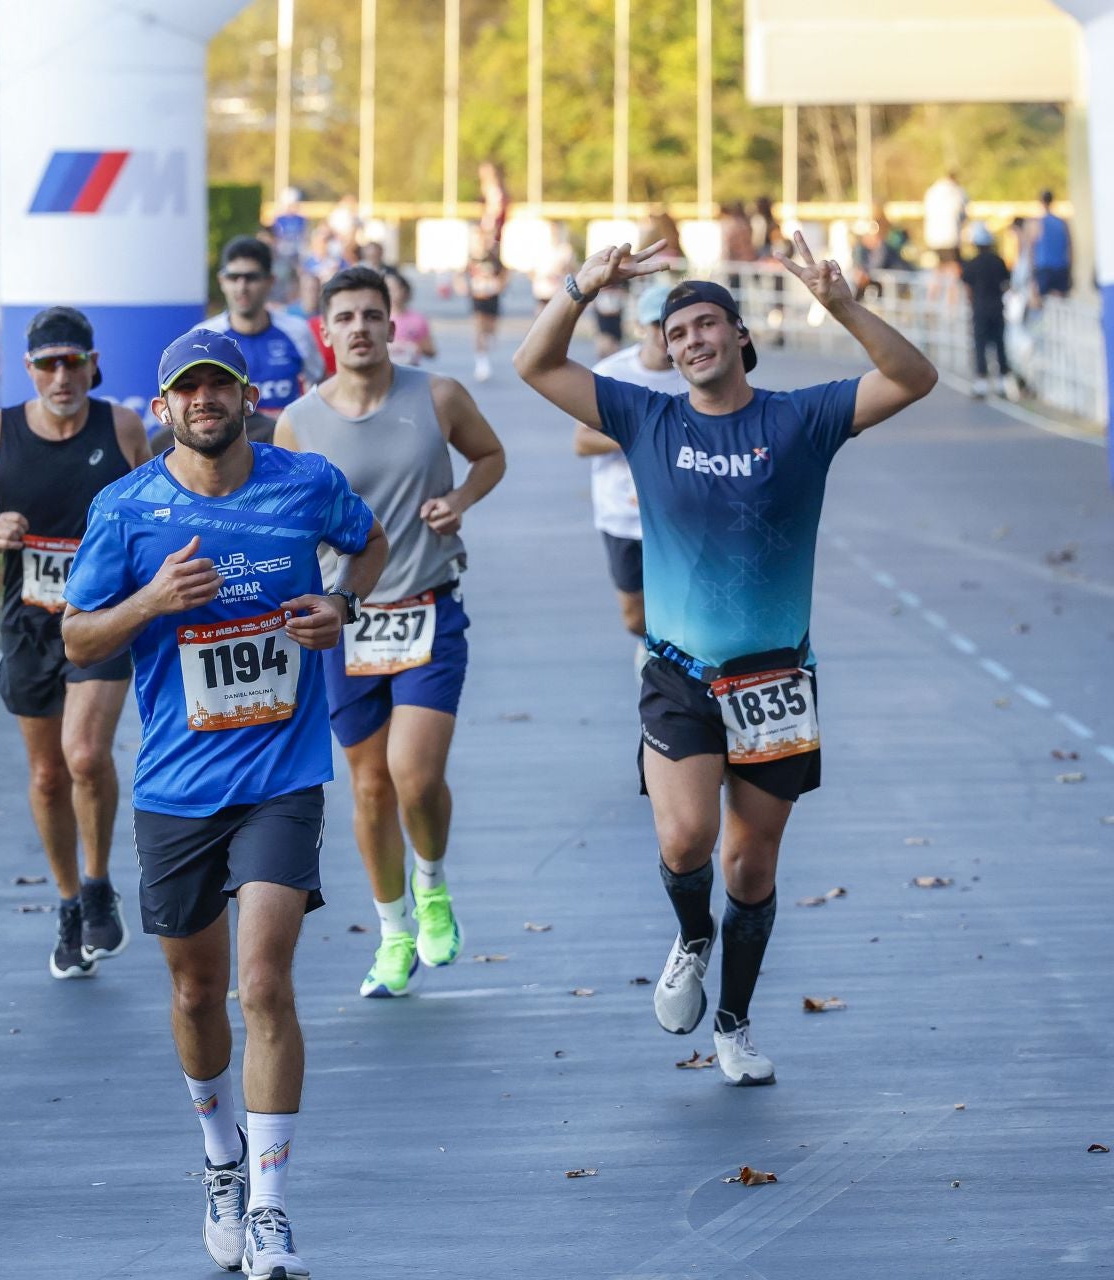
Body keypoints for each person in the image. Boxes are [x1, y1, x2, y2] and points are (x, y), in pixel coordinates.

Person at [513, 235, 936, 1087]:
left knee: (750, 864)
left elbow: (913, 379)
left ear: (740, 337)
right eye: (678, 333)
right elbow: (536, 364)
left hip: (776, 679)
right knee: (686, 837)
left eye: (708, 325)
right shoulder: (645, 415)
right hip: (678, 670)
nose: (693, 341)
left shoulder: (801, 418)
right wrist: (580, 287)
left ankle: (735, 1025)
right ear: (667, 353)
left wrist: (845, 307)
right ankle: (691, 935)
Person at [61, 329, 388, 1279]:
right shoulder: (126, 510)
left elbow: (364, 547)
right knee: (198, 992)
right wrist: (150, 602)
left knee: (263, 984)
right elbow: (80, 641)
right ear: (163, 409)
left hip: (282, 777)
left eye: (220, 386)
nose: (205, 401)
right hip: (175, 788)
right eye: (186, 390)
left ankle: (275, 1211)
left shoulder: (305, 483)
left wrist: (343, 607)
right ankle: (221, 1164)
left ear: (249, 397)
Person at [275, 266, 504, 1001]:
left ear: (392, 323)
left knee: (415, 773)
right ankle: (394, 931)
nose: (361, 328)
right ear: (325, 331)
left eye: (374, 314)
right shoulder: (298, 423)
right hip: (345, 622)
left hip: (428, 606)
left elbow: (490, 455)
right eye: (346, 316)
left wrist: (461, 498)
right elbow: (284, 524)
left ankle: (431, 884)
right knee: (370, 788)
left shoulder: (436, 396)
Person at [0, 307, 150, 978]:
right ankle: (69, 899)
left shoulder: (121, 429)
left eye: (73, 362)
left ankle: (98, 883)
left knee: (86, 755)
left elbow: (157, 509)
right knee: (46, 774)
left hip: (102, 621)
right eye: (48, 364)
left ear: (94, 365)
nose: (61, 376)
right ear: (29, 369)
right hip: (30, 624)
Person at [573, 285, 686, 656]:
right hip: (622, 514)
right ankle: (652, 647)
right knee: (633, 616)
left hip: (680, 513)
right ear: (641, 326)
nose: (666, 334)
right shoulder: (611, 373)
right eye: (658, 324)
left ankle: (676, 669)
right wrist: (641, 438)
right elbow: (583, 442)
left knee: (686, 604)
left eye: (675, 325)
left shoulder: (696, 375)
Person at [202, 235, 326, 420]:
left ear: (270, 281)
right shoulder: (205, 338)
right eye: (234, 277)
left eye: (251, 278)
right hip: (227, 448)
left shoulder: (297, 331)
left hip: (284, 445)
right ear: (222, 281)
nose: (242, 287)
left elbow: (322, 387)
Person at [960, 224, 1013, 398]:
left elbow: (967, 287)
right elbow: (1006, 284)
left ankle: (981, 384)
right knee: (999, 345)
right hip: (997, 308)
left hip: (980, 309)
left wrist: (973, 303)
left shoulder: (972, 264)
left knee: (980, 345)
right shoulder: (998, 261)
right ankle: (1002, 384)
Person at [923, 171, 968, 301]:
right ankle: (951, 305)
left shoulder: (932, 191)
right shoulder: (957, 192)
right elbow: (963, 213)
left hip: (933, 238)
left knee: (939, 270)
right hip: (950, 237)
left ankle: (930, 302)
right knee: (954, 272)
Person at [467, 243, 507, 383]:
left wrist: (500, 285)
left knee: (490, 331)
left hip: (492, 298)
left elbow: (504, 274)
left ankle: (487, 345)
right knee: (479, 330)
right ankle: (481, 362)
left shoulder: (495, 258)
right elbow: (462, 274)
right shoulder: (472, 259)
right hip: (478, 298)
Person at [384, 270, 436, 366]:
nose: (389, 293)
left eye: (393, 289)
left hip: (410, 371)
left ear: (404, 290)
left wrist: (413, 347)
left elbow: (431, 351)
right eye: (386, 289)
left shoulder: (418, 319)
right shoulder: (376, 319)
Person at [1031, 189, 1073, 300]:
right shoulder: (1061, 222)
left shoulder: (1038, 223)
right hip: (1061, 268)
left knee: (1044, 305)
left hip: (1044, 270)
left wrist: (1032, 275)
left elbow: (1032, 249)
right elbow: (1070, 247)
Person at [479, 161, 510, 249]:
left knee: (490, 244)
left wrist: (490, 218)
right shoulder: (489, 187)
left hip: (492, 219)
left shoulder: (492, 188)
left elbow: (496, 207)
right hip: (491, 219)